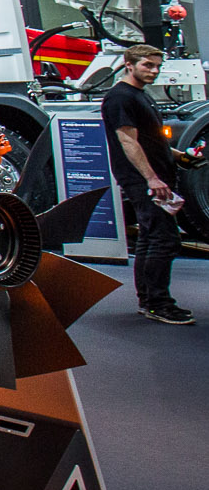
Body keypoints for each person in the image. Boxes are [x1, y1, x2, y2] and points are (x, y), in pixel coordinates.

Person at [104, 44, 191, 325]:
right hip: (144, 180)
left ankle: (148, 301)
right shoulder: (120, 97)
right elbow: (127, 141)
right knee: (165, 239)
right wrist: (151, 178)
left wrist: (179, 156)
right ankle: (158, 304)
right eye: (147, 65)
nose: (154, 71)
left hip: (153, 177)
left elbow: (149, 139)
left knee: (150, 238)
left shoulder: (139, 95)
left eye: (157, 67)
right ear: (129, 64)